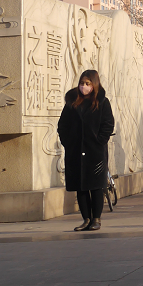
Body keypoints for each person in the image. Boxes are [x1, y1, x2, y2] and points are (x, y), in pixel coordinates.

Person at [57, 69, 114, 231]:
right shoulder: (72, 102)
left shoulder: (102, 102)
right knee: (80, 186)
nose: (84, 87)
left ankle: (96, 218)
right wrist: (68, 142)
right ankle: (86, 219)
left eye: (87, 83)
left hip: (95, 151)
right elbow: (62, 125)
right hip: (75, 151)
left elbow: (108, 124)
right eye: (82, 83)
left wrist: (99, 141)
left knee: (95, 186)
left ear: (94, 84)